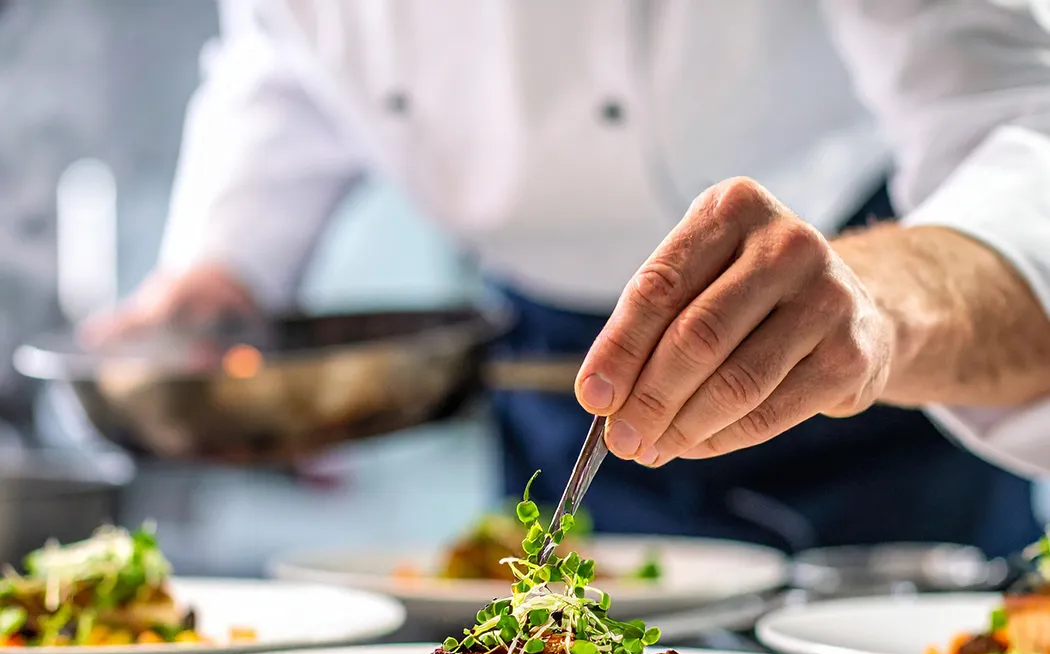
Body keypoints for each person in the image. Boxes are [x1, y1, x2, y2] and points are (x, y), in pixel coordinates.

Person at [99, 1, 1050, 556]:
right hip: (548, 371)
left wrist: (877, 311)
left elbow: (1022, 130)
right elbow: (288, 48)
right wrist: (225, 261)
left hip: (850, 365)